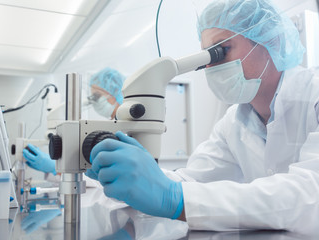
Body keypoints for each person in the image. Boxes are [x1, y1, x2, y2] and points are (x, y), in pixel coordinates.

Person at [85, 0, 319, 233]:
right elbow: (191, 182)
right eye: (207, 57)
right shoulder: (233, 123)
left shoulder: (314, 95)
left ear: (271, 40)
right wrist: (131, 175)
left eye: (220, 51)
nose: (211, 67)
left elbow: (310, 194)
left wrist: (173, 197)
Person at [23, 68, 125, 175]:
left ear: (115, 92)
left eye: (96, 96)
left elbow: (100, 177)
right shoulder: (113, 124)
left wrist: (55, 168)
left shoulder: (123, 129)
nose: (93, 101)